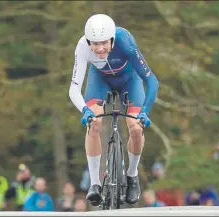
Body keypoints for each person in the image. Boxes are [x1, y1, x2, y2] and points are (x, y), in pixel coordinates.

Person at [69, 14, 159, 205]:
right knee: (94, 123)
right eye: (95, 44)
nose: (100, 49)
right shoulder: (82, 47)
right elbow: (74, 88)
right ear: (88, 41)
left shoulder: (125, 41)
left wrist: (145, 111)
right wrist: (85, 110)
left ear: (112, 39)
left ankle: (132, 176)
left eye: (104, 43)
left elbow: (151, 80)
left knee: (135, 127)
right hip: (100, 80)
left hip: (130, 81)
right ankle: (94, 184)